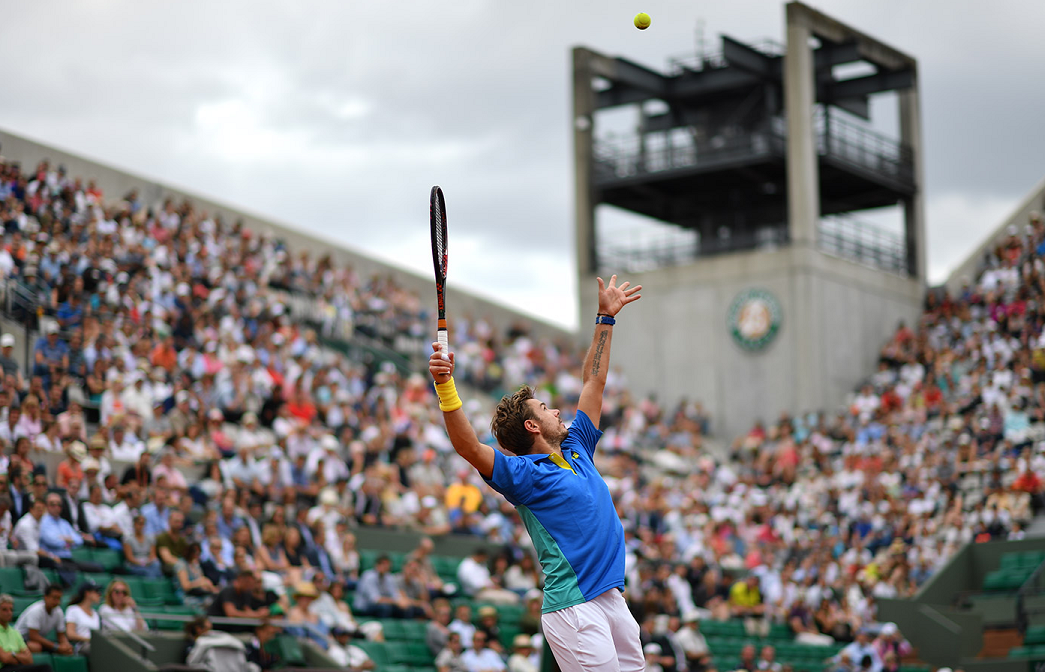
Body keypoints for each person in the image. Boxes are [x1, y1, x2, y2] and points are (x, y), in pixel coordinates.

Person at [428, 274, 643, 672]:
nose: (557, 410)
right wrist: (445, 385)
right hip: (575, 607)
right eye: (545, 408)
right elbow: (469, 448)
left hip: (611, 597)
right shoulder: (525, 475)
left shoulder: (578, 447)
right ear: (531, 427)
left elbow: (593, 381)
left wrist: (605, 319)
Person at [14, 585, 73, 655]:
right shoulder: (36, 610)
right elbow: (33, 636)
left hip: (37, 641)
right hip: (19, 640)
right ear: (45, 597)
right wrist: (56, 647)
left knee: (68, 651)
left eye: (59, 598)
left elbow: (61, 635)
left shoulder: (58, 612)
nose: (57, 601)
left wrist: (66, 645)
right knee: (35, 647)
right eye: (54, 598)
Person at [0, 593, 51, 672]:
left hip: (17, 667)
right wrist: (20, 656)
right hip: (3, 668)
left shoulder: (15, 633)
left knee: (45, 667)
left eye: (11, 609)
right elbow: (5, 658)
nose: (9, 612)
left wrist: (12, 654)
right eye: (4, 610)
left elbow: (29, 660)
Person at [63, 583, 101, 653]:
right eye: (96, 592)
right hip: (81, 646)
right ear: (87, 593)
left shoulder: (95, 614)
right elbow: (70, 634)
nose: (99, 595)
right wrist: (89, 639)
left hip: (95, 645)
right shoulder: (73, 610)